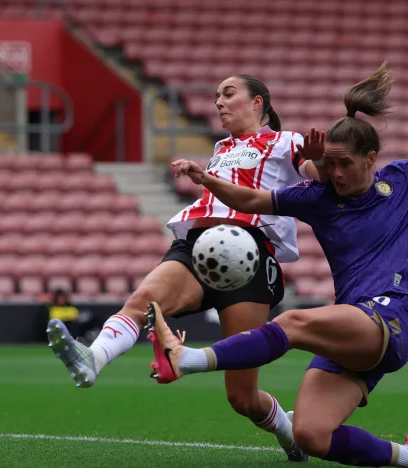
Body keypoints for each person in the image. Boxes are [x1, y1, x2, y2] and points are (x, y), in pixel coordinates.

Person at [158, 10, 408, 468]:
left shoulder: (406, 178)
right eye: (330, 163)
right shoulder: (318, 197)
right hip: (352, 329)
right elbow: (249, 199)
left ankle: (187, 359)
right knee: (311, 434)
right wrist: (206, 178)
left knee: (292, 324)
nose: (337, 173)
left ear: (371, 159)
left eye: (346, 163)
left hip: (391, 315)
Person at [46, 73, 325, 461]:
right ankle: (92, 358)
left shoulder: (287, 141)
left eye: (229, 94)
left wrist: (322, 162)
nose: (219, 102)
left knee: (242, 397)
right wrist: (203, 173)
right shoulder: (221, 147)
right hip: (199, 244)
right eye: (215, 96)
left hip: (251, 254)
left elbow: (322, 182)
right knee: (143, 299)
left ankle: (286, 429)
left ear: (258, 102)